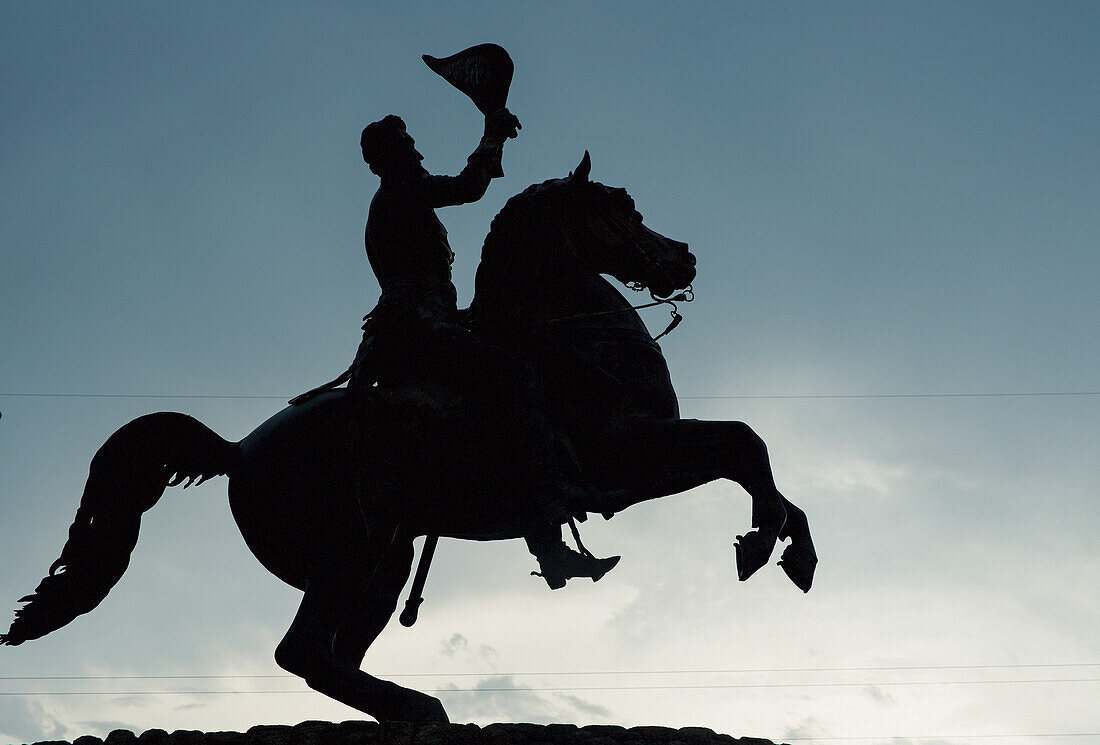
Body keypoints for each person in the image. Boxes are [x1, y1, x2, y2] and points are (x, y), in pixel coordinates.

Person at [349, 109, 618, 589]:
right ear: (386, 158)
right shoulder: (401, 193)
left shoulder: (398, 199)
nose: (417, 151)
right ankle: (550, 543)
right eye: (407, 145)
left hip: (428, 321)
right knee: (517, 378)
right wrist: (492, 133)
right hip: (419, 327)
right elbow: (470, 187)